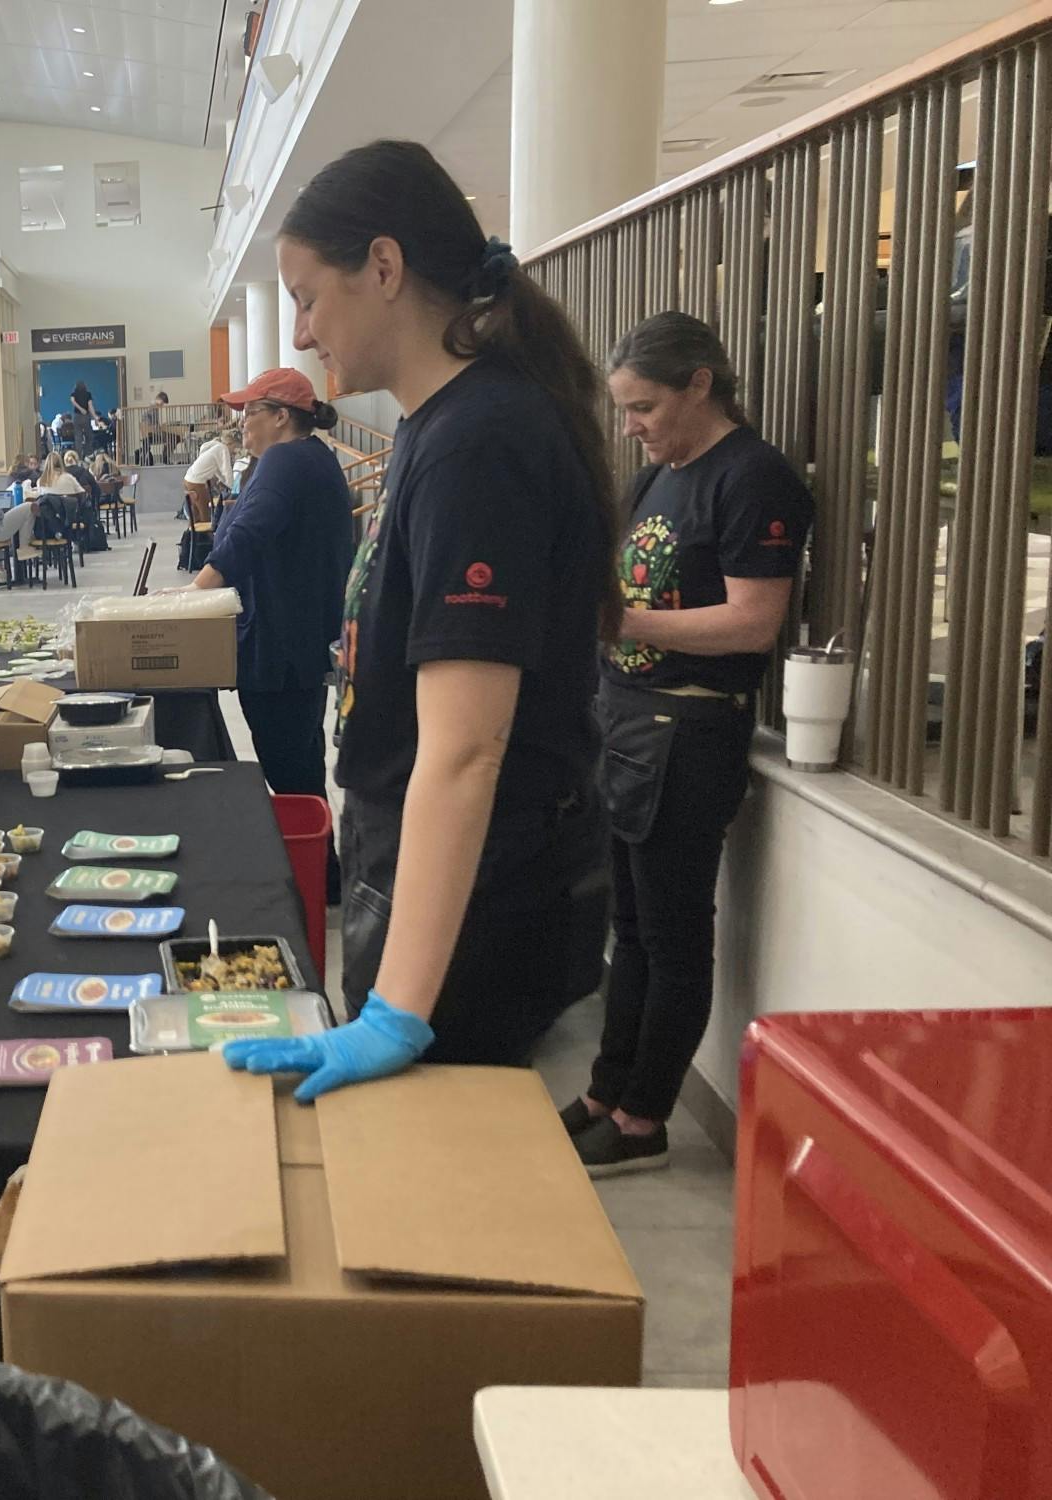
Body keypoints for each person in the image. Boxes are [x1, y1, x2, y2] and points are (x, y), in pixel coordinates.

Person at [223, 139, 619, 1101]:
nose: (305, 335)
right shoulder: (437, 427)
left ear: (386, 268)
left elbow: (465, 751)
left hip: (471, 917)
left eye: (310, 297)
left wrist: (401, 1008)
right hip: (425, 882)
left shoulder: (481, 442)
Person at [568, 313, 812, 1176]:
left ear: (701, 384)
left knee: (672, 936)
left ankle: (644, 1118)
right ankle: (606, 1090)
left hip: (694, 731)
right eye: (624, 408)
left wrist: (623, 620)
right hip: (627, 719)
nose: (632, 425)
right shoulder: (658, 477)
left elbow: (755, 622)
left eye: (644, 406)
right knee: (627, 927)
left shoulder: (752, 479)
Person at [187, 367, 354, 900]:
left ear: (282, 417)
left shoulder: (286, 459)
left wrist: (195, 594)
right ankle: (320, 875)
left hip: (280, 647)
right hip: (302, 643)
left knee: (289, 768)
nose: (241, 425)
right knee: (301, 765)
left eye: (249, 413)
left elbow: (246, 535)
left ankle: (310, 877)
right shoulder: (316, 460)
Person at [182, 420, 236, 515]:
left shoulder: (213, 447)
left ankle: (195, 529)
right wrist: (234, 489)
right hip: (197, 483)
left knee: (195, 513)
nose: (233, 451)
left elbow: (217, 471)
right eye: (233, 448)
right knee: (205, 513)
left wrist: (223, 481)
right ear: (229, 444)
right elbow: (226, 471)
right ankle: (206, 530)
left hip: (188, 479)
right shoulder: (223, 449)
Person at [140, 391, 168, 463]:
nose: (162, 405)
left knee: (168, 437)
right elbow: (151, 422)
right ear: (159, 399)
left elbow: (155, 422)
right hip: (150, 433)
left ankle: (165, 459)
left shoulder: (154, 407)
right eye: (162, 403)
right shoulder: (152, 407)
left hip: (150, 432)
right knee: (170, 438)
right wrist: (158, 429)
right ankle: (165, 459)